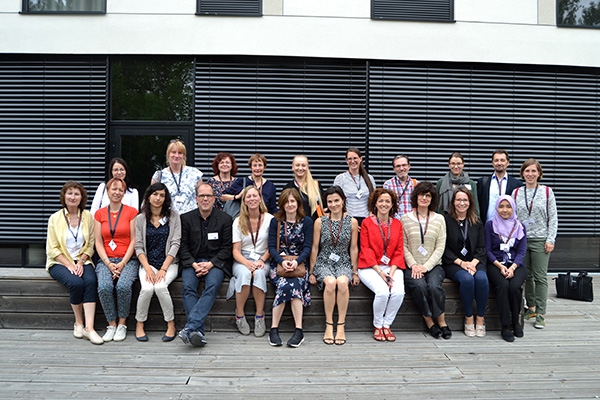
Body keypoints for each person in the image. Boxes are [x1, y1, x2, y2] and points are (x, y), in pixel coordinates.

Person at [46, 181, 103, 345]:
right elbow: (52, 249)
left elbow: (91, 243)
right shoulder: (55, 218)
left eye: (76, 194)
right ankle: (79, 322)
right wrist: (70, 265)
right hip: (59, 262)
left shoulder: (88, 217)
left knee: (91, 280)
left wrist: (81, 261)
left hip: (83, 260)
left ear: (81, 198)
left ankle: (90, 328)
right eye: (69, 193)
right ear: (64, 196)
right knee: (76, 283)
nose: (73, 197)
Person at [178, 183, 232, 347]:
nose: (205, 199)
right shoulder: (185, 218)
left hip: (215, 263)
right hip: (192, 263)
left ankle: (190, 327)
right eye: (202, 196)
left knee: (213, 285)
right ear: (196, 199)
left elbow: (226, 248)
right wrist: (195, 265)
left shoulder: (225, 219)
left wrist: (210, 264)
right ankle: (197, 331)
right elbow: (183, 247)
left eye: (209, 195)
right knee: (188, 287)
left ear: (214, 199)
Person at [309, 186, 360, 345]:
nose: (333, 204)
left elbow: (353, 248)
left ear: (343, 200)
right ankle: (329, 325)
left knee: (343, 283)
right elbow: (315, 248)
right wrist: (311, 272)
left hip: (343, 261)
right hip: (324, 261)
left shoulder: (352, 222)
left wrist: (355, 271)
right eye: (330, 201)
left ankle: (341, 326)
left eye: (336, 200)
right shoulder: (320, 221)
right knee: (330, 283)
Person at [512, 158, 557, 330]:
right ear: (522, 173)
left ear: (539, 173)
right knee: (526, 276)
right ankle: (530, 307)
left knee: (540, 277)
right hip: (522, 239)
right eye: (527, 171)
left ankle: (540, 314)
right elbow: (513, 218)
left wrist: (550, 239)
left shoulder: (547, 192)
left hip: (540, 239)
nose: (530, 174)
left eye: (533, 171)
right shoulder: (516, 192)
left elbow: (553, 217)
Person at [401, 182, 450, 339]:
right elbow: (403, 246)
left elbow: (440, 247)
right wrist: (414, 265)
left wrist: (426, 266)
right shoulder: (405, 219)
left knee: (435, 286)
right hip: (412, 265)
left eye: (428, 195)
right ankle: (430, 322)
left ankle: (442, 322)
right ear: (416, 197)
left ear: (432, 198)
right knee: (419, 285)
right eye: (421, 194)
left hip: (434, 265)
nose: (424, 198)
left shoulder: (440, 219)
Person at [134, 182, 181, 342]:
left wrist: (163, 269)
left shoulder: (173, 216)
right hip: (148, 264)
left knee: (160, 286)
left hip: (169, 264)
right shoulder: (140, 219)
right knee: (147, 289)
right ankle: (139, 323)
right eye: (155, 194)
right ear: (148, 197)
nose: (158, 198)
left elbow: (175, 243)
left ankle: (171, 323)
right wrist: (148, 269)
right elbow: (138, 246)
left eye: (162, 195)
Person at [94, 177, 140, 342]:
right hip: (105, 260)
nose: (117, 192)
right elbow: (98, 241)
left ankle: (122, 323)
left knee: (123, 286)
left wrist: (121, 263)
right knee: (105, 286)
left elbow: (134, 240)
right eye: (114, 189)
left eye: (120, 190)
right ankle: (111, 324)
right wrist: (108, 263)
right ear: (107, 191)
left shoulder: (131, 212)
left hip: (128, 260)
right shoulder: (99, 214)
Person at [358, 188, 405, 342]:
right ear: (375, 204)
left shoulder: (397, 224)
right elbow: (366, 249)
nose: (384, 204)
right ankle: (378, 325)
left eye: (387, 201)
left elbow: (399, 250)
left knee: (398, 292)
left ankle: (387, 324)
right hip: (370, 267)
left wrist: (391, 273)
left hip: (392, 266)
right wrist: (380, 273)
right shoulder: (366, 223)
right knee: (383, 292)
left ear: (392, 205)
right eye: (381, 201)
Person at [267, 188, 313, 348]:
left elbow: (308, 247)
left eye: (293, 201)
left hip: (299, 264)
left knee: (293, 284)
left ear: (298, 203)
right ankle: (275, 329)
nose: (290, 204)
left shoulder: (307, 221)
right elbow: (271, 247)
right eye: (287, 201)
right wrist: (281, 261)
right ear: (282, 204)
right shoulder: (276, 221)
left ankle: (295, 330)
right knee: (285, 283)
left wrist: (297, 261)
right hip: (279, 264)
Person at [442, 187, 488, 338]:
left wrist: (472, 263)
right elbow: (444, 248)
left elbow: (482, 248)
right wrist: (462, 264)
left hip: (475, 261)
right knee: (467, 279)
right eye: (458, 200)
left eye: (465, 200)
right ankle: (468, 317)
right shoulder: (446, 220)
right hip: (454, 263)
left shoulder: (477, 221)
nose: (462, 203)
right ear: (453, 202)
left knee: (481, 279)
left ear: (470, 202)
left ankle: (480, 318)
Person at [228, 186, 274, 337]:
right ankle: (239, 315)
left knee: (260, 274)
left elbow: (272, 246)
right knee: (244, 274)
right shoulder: (238, 221)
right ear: (244, 201)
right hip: (243, 259)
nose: (252, 199)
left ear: (260, 198)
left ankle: (259, 316)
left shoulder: (269, 219)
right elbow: (235, 251)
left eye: (255, 196)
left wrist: (261, 260)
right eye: (248, 197)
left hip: (263, 257)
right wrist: (247, 264)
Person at [485, 195, 528, 342]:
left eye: (508, 206)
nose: (505, 210)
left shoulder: (520, 226)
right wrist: (500, 266)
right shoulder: (490, 225)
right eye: (501, 206)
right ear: (496, 208)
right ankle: (505, 325)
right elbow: (488, 250)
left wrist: (513, 267)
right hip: (496, 264)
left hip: (516, 265)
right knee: (503, 286)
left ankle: (515, 322)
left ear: (513, 208)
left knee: (515, 286)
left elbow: (522, 251)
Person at [151, 139, 203, 214]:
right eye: (173, 152)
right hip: (168, 219)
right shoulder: (159, 176)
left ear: (184, 155)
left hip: (191, 220)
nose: (176, 155)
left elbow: (201, 197)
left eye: (180, 153)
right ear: (168, 154)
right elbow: (153, 200)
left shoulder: (195, 174)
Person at [333, 148, 376, 226]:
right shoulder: (340, 179)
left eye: (355, 158)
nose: (352, 161)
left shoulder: (370, 178)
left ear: (360, 159)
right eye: (350, 159)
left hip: (366, 220)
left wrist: (371, 216)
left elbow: (373, 200)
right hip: (347, 220)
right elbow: (335, 201)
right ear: (346, 161)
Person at [477, 149, 522, 222]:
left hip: (508, 227)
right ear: (492, 163)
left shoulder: (516, 184)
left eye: (502, 160)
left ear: (508, 163)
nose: (499, 163)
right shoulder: (482, 183)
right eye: (496, 160)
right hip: (487, 227)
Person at [436, 152, 480, 218]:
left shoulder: (471, 184)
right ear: (449, 165)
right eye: (453, 163)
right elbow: (436, 205)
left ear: (463, 164)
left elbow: (475, 206)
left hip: (466, 221)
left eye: (459, 163)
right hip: (444, 220)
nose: (456, 166)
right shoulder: (441, 183)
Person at [283, 155, 324, 220]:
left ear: (308, 167)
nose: (300, 168)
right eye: (297, 165)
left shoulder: (316, 185)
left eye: (303, 165)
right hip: (295, 227)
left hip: (314, 226)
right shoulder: (287, 187)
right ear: (292, 167)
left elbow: (324, 207)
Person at [383, 154, 418, 219]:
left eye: (404, 165)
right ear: (394, 169)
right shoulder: (388, 185)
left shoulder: (416, 184)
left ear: (409, 166)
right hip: (394, 222)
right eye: (398, 166)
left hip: (413, 222)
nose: (401, 168)